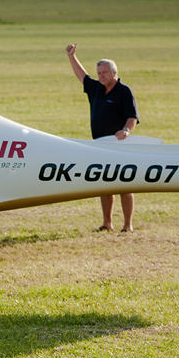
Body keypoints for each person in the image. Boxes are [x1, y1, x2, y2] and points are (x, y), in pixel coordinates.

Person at [65, 43, 139, 232]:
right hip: (100, 145)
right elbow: (82, 76)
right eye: (99, 73)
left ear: (114, 73)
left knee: (124, 185)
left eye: (105, 73)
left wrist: (126, 131)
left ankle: (127, 225)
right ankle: (107, 223)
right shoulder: (96, 88)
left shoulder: (124, 91)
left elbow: (132, 117)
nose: (101, 76)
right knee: (105, 185)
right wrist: (72, 56)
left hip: (120, 144)